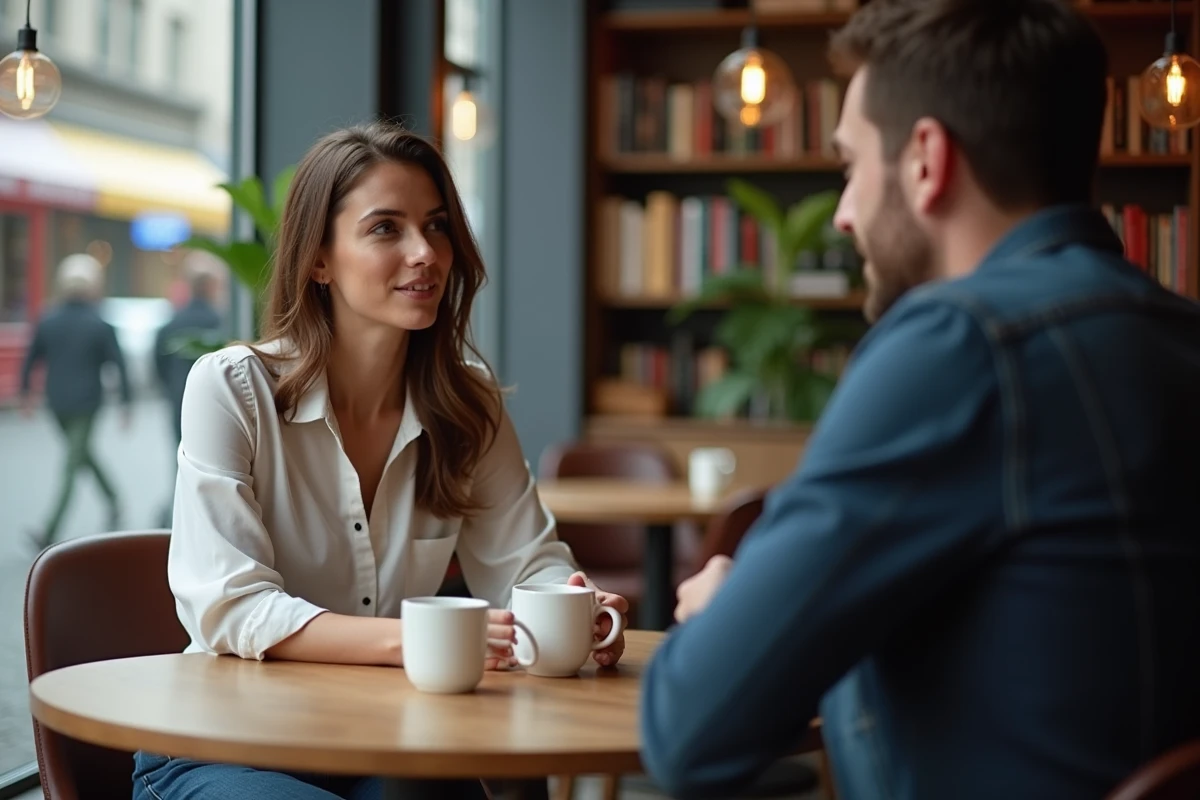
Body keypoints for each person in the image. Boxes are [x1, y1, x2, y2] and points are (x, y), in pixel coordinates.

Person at [639, 1, 1200, 799]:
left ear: (926, 161)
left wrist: (738, 611)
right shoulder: (1176, 334)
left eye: (849, 167)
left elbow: (688, 728)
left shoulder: (960, 344)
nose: (842, 215)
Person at [131, 121, 629, 800]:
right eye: (386, 228)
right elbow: (232, 607)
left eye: (437, 226)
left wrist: (573, 606)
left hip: (385, 740)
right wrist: (419, 639)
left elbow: (526, 564)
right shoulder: (233, 389)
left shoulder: (467, 405)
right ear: (319, 260)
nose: (425, 253)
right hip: (226, 745)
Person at [20, 253, 130, 549]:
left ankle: (49, 529)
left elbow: (30, 360)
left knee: (71, 462)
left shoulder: (47, 320)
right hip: (87, 402)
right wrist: (125, 403)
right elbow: (119, 365)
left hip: (57, 403)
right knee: (80, 454)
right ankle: (114, 499)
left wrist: (25, 394)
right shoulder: (100, 324)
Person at [153, 260, 224, 527]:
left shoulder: (172, 322)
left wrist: (171, 388)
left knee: (181, 457)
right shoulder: (222, 322)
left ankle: (179, 517)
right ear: (210, 287)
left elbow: (157, 364)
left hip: (179, 400)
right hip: (216, 404)